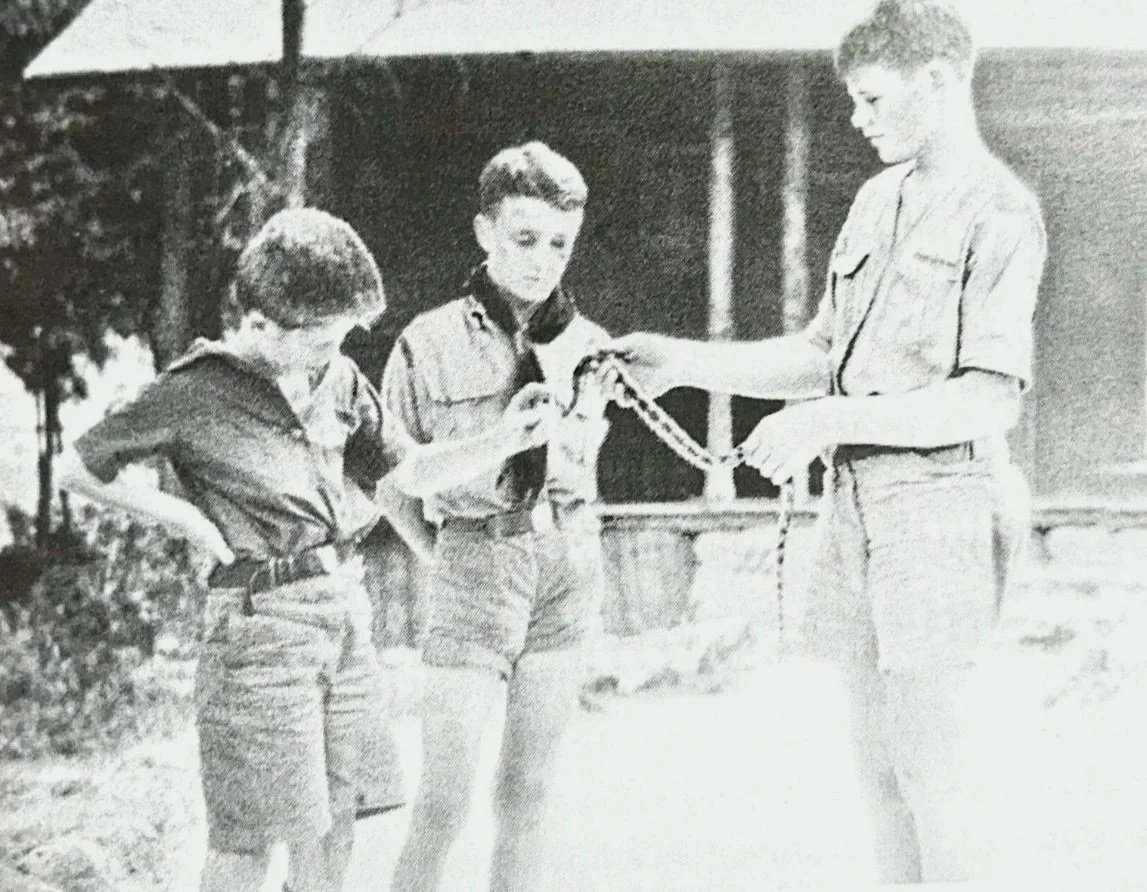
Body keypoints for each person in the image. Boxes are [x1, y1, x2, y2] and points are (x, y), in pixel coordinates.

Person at [607, 1, 1046, 882]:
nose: (858, 119)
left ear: (937, 80)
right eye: (850, 102)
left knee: (933, 772)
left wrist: (830, 421)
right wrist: (681, 364)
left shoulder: (999, 211)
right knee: (876, 773)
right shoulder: (878, 198)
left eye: (873, 99)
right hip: (855, 509)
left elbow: (984, 399)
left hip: (941, 504)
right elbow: (821, 355)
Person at [57, 208, 563, 892]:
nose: (333, 352)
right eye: (321, 339)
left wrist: (503, 441)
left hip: (340, 614)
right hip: (257, 629)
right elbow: (78, 469)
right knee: (251, 838)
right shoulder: (193, 390)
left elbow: (406, 472)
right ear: (263, 324)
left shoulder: (340, 381)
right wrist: (185, 520)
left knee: (336, 822)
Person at [381, 141, 612, 892]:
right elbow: (390, 482)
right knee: (442, 803)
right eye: (524, 239)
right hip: (474, 564)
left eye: (559, 244)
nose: (543, 260)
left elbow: (585, 472)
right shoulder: (425, 341)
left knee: (526, 798)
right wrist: (445, 553)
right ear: (484, 232)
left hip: (564, 574)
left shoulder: (588, 347)